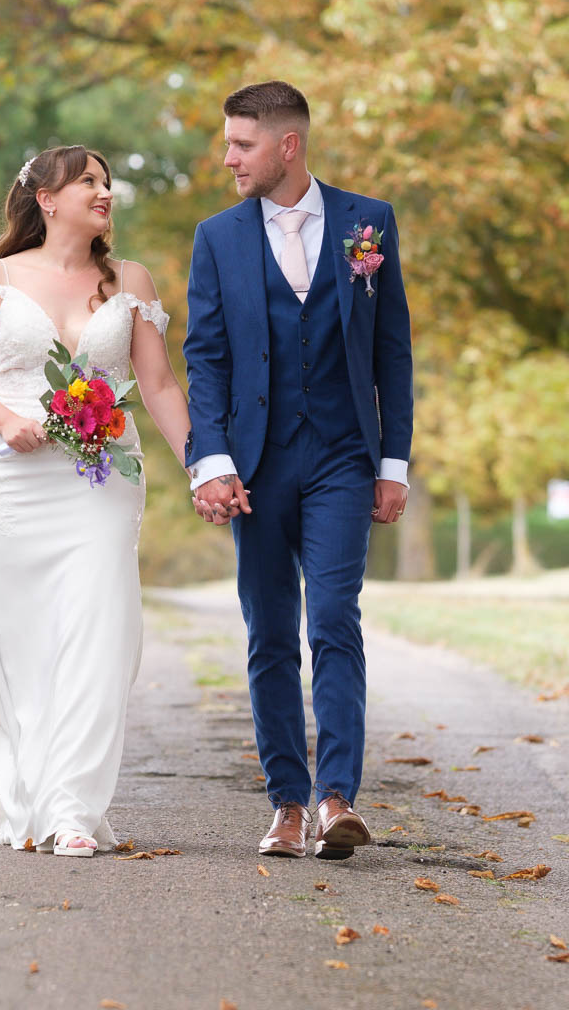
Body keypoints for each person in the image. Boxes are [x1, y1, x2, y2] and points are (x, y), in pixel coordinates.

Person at [0, 145, 194, 858]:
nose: (105, 192)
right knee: (26, 639)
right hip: (8, 479)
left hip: (102, 478)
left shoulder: (130, 281)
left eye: (107, 183)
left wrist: (204, 468)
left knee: (99, 631)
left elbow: (161, 386)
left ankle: (72, 808)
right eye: (88, 182)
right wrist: (3, 419)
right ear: (47, 199)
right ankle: (29, 785)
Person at [182, 81, 414, 860]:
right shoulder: (216, 238)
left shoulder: (367, 222)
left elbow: (392, 353)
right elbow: (205, 359)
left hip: (345, 459)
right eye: (228, 143)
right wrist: (209, 460)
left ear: (289, 145)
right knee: (271, 632)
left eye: (242, 145)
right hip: (257, 464)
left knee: (335, 619)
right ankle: (286, 802)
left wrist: (393, 463)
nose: (229, 158)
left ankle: (336, 798)